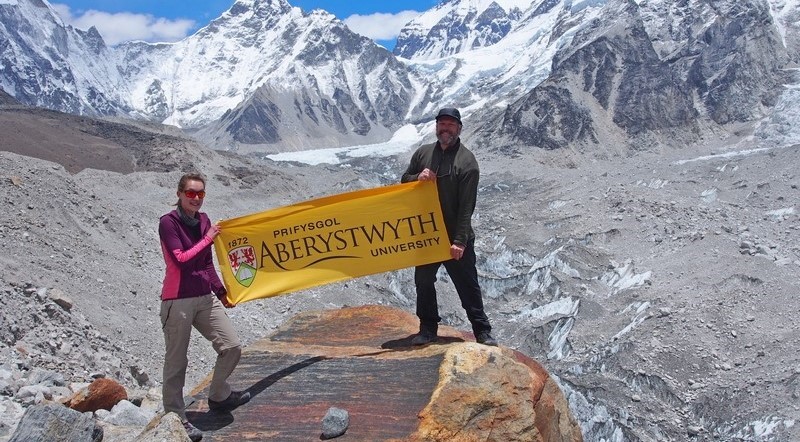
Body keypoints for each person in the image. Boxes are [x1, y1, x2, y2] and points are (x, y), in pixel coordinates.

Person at [158, 172, 251, 441]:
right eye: (190, 193)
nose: (196, 198)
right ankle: (175, 417)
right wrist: (208, 237)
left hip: (204, 298)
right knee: (177, 361)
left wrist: (220, 291)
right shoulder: (169, 223)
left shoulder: (204, 221)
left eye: (200, 194)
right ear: (179, 194)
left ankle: (219, 395)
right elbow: (182, 260)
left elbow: (206, 263)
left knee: (231, 346)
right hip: (177, 300)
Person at [401, 108, 497, 346]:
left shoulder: (467, 162)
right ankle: (427, 328)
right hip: (428, 235)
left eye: (450, 125)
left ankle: (482, 331)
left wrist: (460, 241)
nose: (445, 128)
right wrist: (416, 178)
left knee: (468, 286)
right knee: (423, 282)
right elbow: (404, 180)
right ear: (436, 127)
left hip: (455, 237)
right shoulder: (423, 154)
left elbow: (467, 207)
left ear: (459, 129)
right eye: (442, 124)